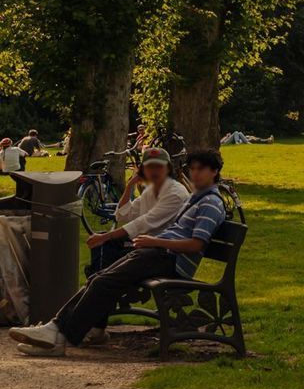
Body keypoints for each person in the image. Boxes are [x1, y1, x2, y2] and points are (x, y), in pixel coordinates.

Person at [10, 149, 229, 356]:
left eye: (201, 169)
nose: (195, 173)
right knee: (99, 278)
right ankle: (58, 331)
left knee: (102, 280)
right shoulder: (193, 197)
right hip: (157, 252)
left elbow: (196, 245)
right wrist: (132, 191)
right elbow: (123, 215)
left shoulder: (209, 202)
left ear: (214, 172)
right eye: (193, 168)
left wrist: (155, 241)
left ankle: (58, 333)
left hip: (169, 259)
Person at [87, 148, 189, 281]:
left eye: (159, 166)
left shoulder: (175, 193)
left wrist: (106, 236)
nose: (154, 171)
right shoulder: (151, 190)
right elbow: (122, 216)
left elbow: (144, 222)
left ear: (168, 169)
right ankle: (97, 284)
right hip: (146, 245)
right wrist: (130, 185)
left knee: (105, 246)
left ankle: (96, 284)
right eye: (149, 167)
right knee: (104, 245)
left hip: (163, 253)